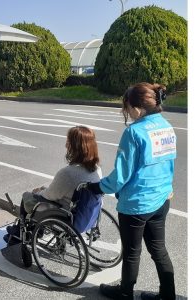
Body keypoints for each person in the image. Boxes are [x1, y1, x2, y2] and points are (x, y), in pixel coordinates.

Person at [87, 83, 177, 300]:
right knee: (158, 249)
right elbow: (168, 164)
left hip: (136, 205)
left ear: (136, 108)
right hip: (161, 199)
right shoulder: (166, 126)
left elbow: (120, 176)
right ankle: (168, 295)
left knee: (132, 253)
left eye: (126, 108)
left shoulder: (134, 132)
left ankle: (125, 293)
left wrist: (97, 187)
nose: (126, 113)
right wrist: (167, 188)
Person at [5, 126, 102, 241]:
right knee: (43, 191)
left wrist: (38, 191)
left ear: (73, 146)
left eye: (68, 141)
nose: (66, 145)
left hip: (64, 215)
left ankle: (21, 234)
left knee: (27, 196)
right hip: (86, 214)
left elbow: (49, 195)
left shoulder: (68, 173)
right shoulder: (96, 169)